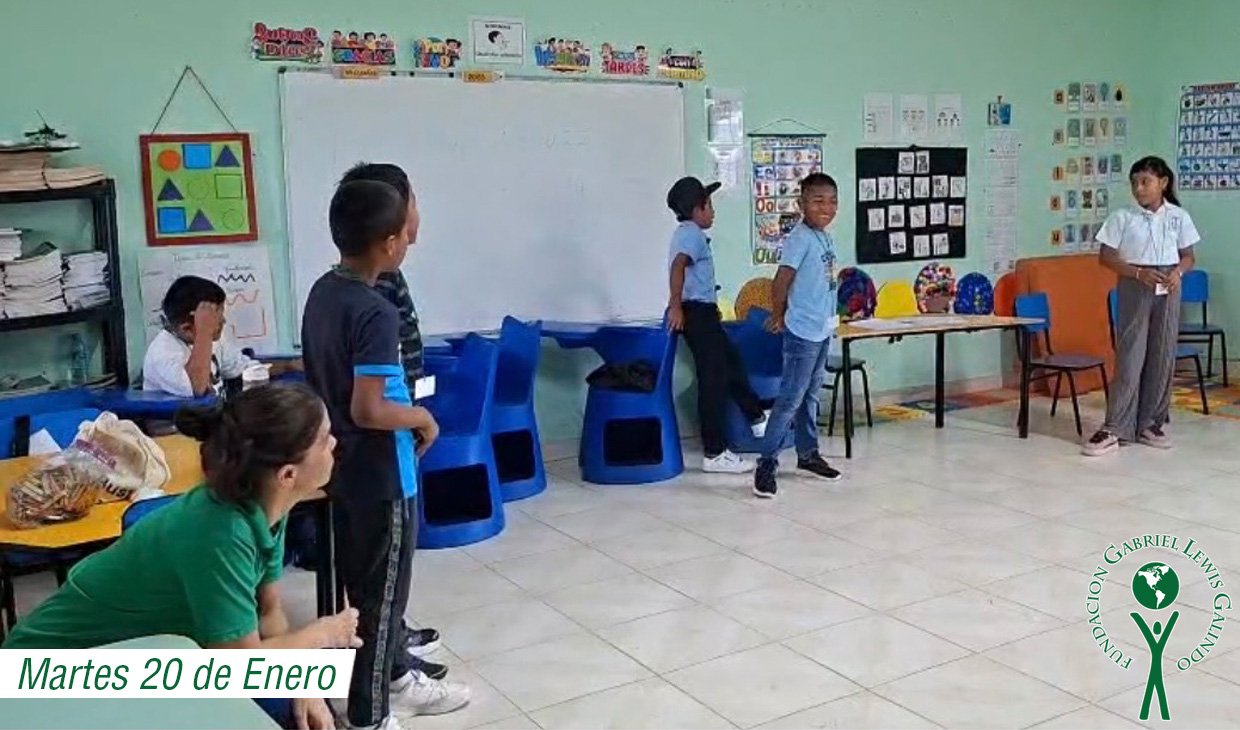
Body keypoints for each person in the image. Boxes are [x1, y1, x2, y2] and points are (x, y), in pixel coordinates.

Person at [3, 384, 357, 730]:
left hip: (137, 657)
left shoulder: (261, 509)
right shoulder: (223, 532)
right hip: (45, 675)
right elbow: (238, 666)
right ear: (287, 475)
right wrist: (323, 635)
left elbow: (269, 612)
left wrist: (302, 684)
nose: (334, 444)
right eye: (325, 439)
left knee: (300, 709)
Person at [302, 178, 469, 729]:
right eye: (404, 231)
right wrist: (422, 418)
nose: (410, 241)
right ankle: (370, 716)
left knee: (364, 590)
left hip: (340, 463)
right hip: (382, 471)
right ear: (389, 243)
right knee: (383, 603)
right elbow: (370, 408)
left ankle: (394, 680)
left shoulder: (324, 291)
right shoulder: (376, 311)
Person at [337, 162, 445, 680]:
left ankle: (391, 642)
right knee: (384, 565)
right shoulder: (371, 294)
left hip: (388, 430)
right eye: (411, 204)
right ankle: (387, 672)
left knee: (383, 567)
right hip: (384, 439)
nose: (416, 219)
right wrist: (418, 416)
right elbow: (369, 400)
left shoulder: (349, 285)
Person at [1084, 156, 1200, 456]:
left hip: (1168, 285)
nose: (1139, 188)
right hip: (1136, 283)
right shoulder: (1123, 217)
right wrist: (1138, 273)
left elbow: (1188, 255)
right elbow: (1106, 257)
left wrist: (1177, 273)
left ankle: (1150, 423)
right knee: (1131, 355)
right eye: (1134, 183)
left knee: (1162, 354)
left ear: (1163, 183)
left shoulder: (1178, 216)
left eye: (1145, 182)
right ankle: (1115, 427)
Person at [665, 176, 768, 473]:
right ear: (696, 209)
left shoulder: (687, 232)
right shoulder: (692, 234)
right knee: (713, 380)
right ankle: (715, 452)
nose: (713, 212)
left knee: (730, 362)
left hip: (703, 312)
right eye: (709, 205)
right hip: (695, 312)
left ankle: (757, 417)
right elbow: (678, 266)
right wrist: (676, 305)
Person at [754, 172, 845, 498]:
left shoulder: (825, 237)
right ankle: (766, 463)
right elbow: (781, 280)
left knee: (811, 396)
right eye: (818, 201)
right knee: (791, 398)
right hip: (802, 331)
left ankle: (808, 455)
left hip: (822, 329)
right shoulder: (799, 238)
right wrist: (778, 315)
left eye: (832, 201)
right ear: (801, 204)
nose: (826, 208)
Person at [142, 275, 298, 398]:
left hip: (213, 421)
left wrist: (290, 366)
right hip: (174, 427)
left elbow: (243, 368)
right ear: (187, 328)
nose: (224, 321)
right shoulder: (162, 353)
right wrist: (204, 332)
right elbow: (196, 387)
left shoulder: (213, 341)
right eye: (215, 319)